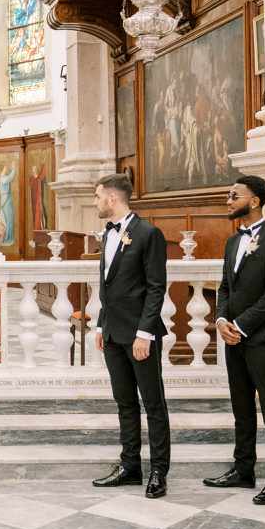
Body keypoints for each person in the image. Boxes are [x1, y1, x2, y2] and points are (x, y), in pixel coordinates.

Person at [204, 177, 265, 504]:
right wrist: (222, 319)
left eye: (234, 196)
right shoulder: (232, 242)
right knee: (241, 407)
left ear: (254, 201)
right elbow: (225, 286)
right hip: (233, 338)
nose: (228, 201)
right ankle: (243, 469)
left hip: (263, 339)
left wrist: (240, 324)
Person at [90, 173, 171, 498]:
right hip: (112, 332)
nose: (95, 202)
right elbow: (107, 285)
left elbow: (155, 288)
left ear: (112, 198)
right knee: (124, 402)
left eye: (97, 196)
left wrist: (144, 333)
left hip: (139, 335)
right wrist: (100, 324)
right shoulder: (107, 235)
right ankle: (130, 466)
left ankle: (158, 472)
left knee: (153, 403)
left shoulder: (148, 233)